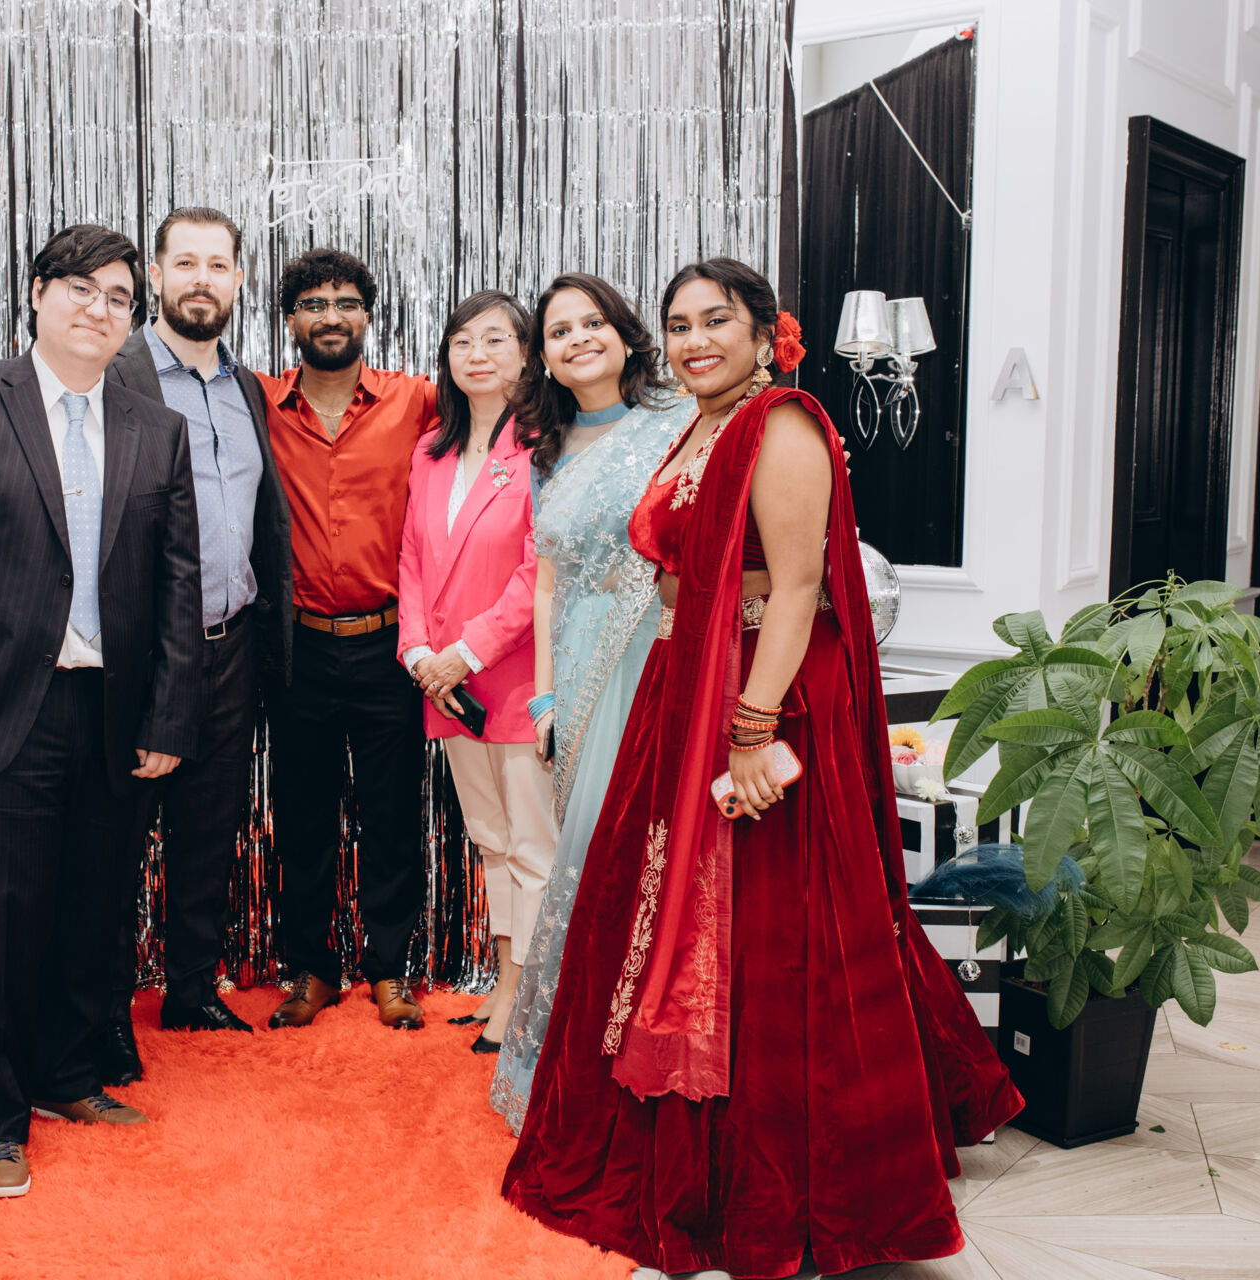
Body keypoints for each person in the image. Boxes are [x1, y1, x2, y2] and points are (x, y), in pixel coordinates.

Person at [501, 258, 1021, 1275]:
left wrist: (750, 730)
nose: (696, 340)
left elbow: (795, 587)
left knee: (771, 927)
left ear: (761, 332)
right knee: (666, 907)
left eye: (717, 321)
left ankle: (790, 1172)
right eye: (680, 323)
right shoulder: (697, 424)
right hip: (682, 679)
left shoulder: (782, 425)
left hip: (758, 690)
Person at [0, 224, 203, 1200]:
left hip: (112, 711)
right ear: (36, 293)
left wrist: (168, 717)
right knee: (2, 926)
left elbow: (177, 586)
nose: (100, 310)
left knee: (93, 914)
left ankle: (66, 1076)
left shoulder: (155, 428)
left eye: (119, 298)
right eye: (81, 289)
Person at [487, 273, 693, 1130]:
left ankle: (652, 1055)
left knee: (650, 854)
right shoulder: (549, 447)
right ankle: (578, 1060)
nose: (578, 339)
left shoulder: (681, 423)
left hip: (658, 656)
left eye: (592, 322)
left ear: (624, 333)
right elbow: (547, 583)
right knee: (589, 853)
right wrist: (543, 699)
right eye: (559, 330)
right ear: (544, 356)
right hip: (576, 672)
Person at [96, 207, 292, 1078]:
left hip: (234, 643)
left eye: (218, 264)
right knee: (118, 839)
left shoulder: (247, 390)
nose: (202, 279)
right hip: (143, 656)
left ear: (238, 279)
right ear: (157, 277)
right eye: (185, 263)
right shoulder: (118, 373)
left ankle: (190, 987)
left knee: (210, 829)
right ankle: (103, 1012)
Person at [257, 247, 438, 1031]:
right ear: (289, 319)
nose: (330, 316)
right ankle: (311, 971)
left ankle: (391, 970)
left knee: (392, 814)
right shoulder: (258, 403)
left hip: (389, 646)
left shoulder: (418, 401)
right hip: (295, 648)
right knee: (302, 816)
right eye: (313, 303)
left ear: (367, 315)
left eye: (345, 303)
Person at [396, 290, 554, 1056]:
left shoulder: (545, 446)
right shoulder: (430, 450)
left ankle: (528, 991)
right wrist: (418, 652)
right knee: (490, 839)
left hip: (515, 675)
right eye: (463, 341)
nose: (477, 354)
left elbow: (538, 570)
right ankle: (502, 976)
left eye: (496, 339)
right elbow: (411, 559)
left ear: (526, 354)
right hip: (447, 685)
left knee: (532, 844)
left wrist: (469, 650)